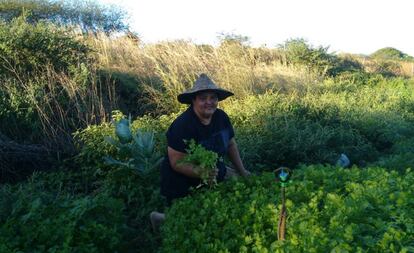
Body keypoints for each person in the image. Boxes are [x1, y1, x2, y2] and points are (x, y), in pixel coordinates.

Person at [150, 73, 250, 232]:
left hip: (211, 173)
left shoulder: (221, 118)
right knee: (190, 219)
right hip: (181, 179)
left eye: (213, 97)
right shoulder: (182, 126)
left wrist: (242, 170)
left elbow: (230, 145)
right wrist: (203, 173)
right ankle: (159, 219)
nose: (209, 102)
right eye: (203, 98)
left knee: (218, 206)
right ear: (193, 100)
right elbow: (176, 162)